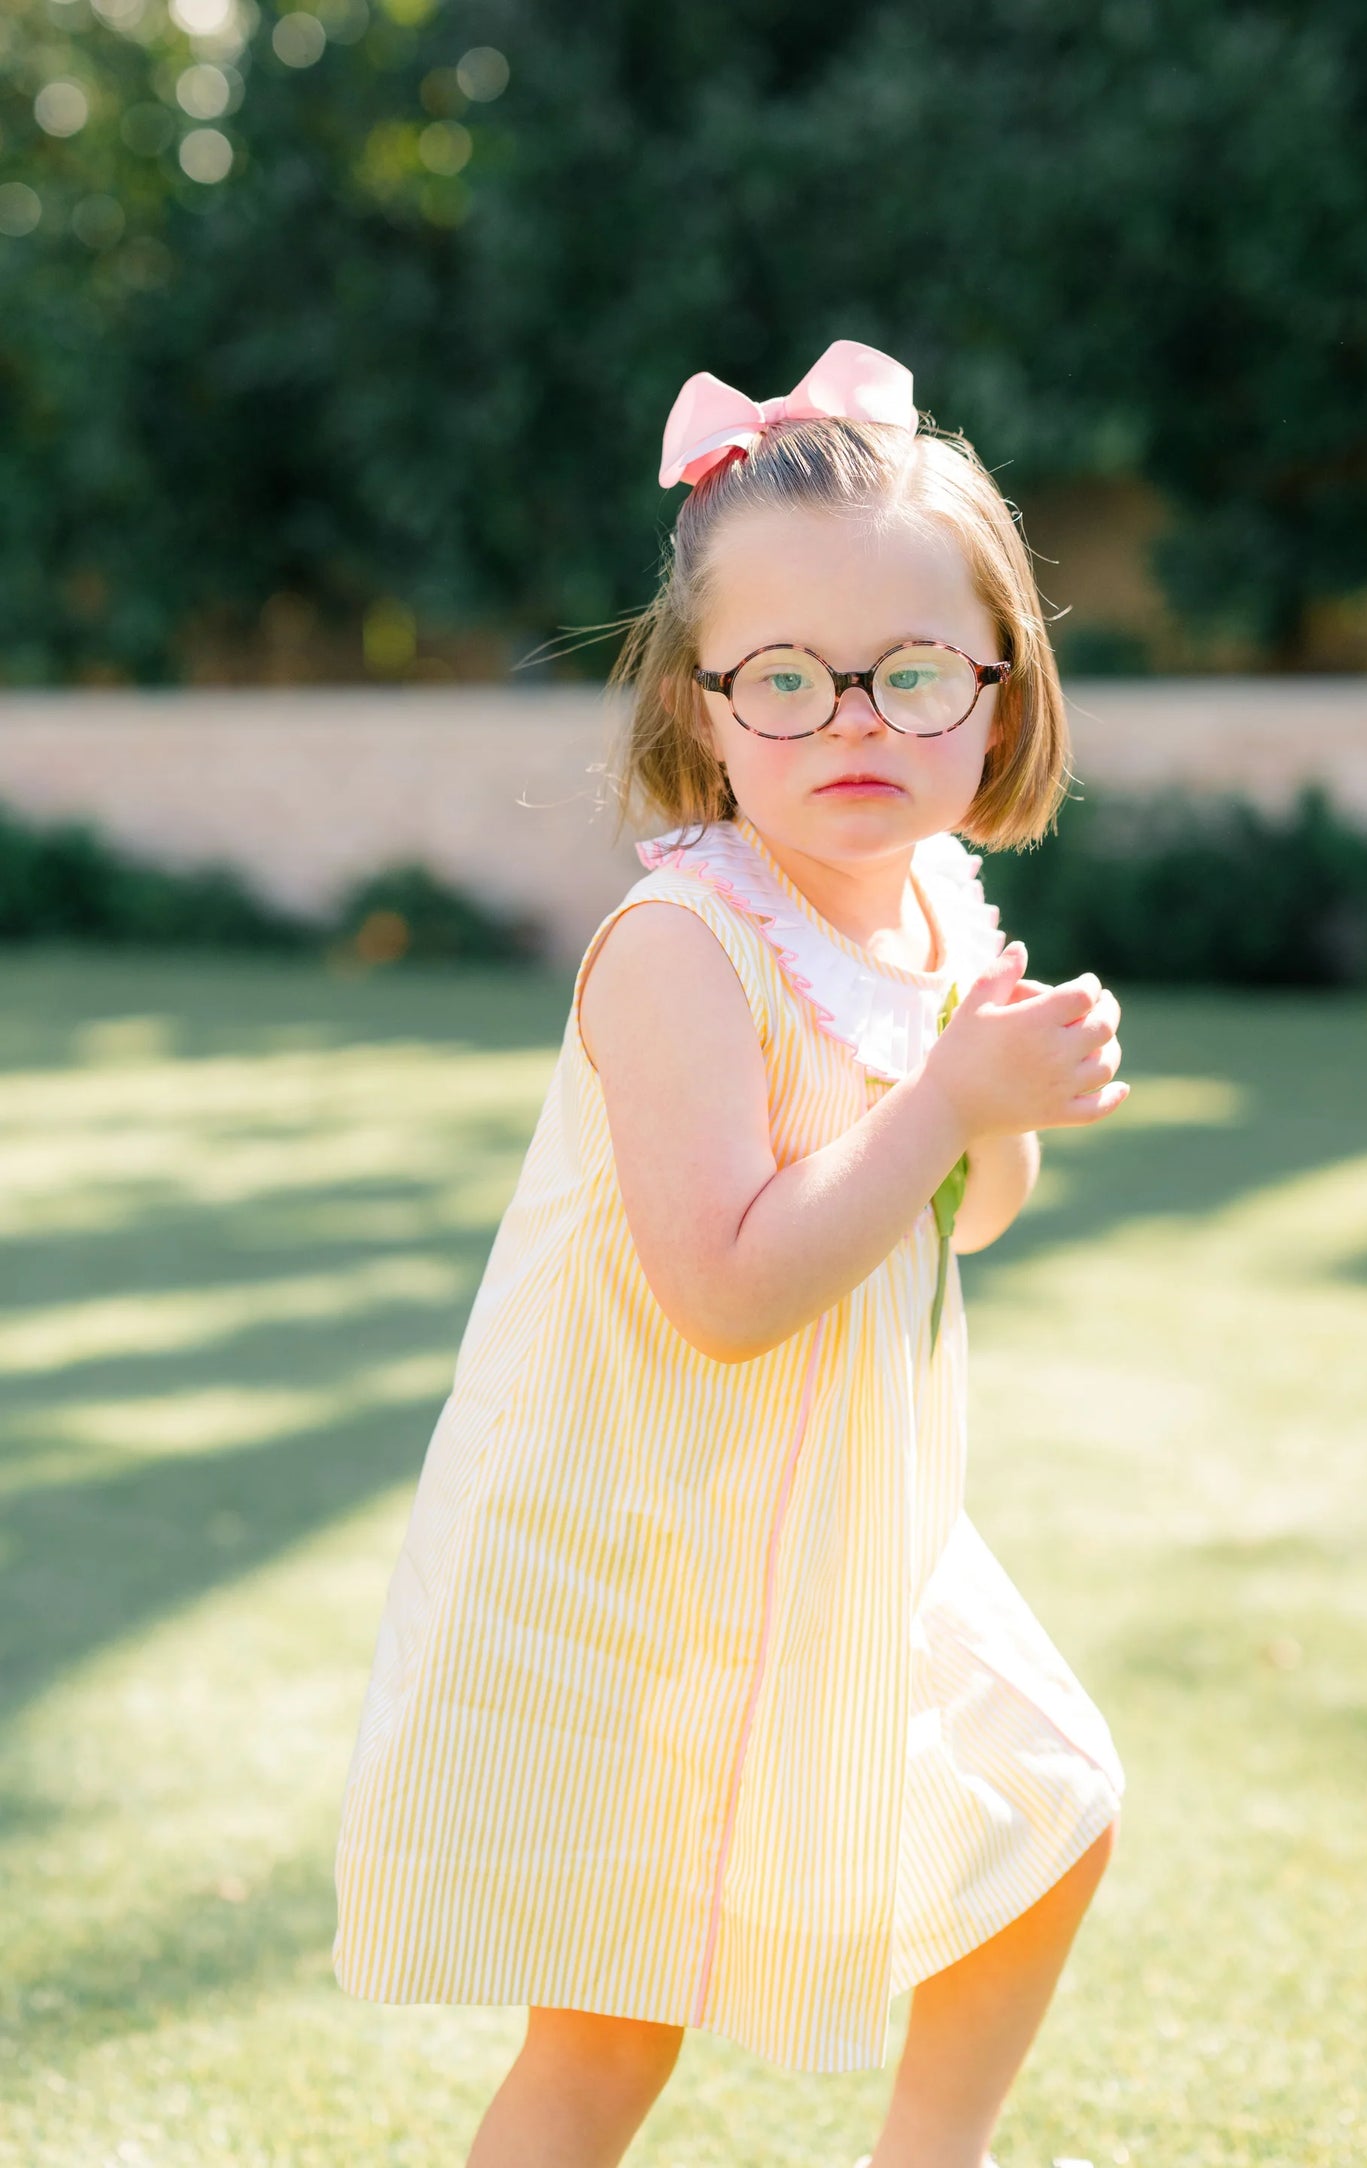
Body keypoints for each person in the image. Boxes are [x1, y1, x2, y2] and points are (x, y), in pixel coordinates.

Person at [331, 339, 1130, 2168]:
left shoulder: (933, 903)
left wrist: (994, 1100)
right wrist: (941, 1099)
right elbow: (730, 1292)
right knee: (614, 2032)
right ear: (702, 710)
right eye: (788, 678)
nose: (854, 719)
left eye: (912, 672)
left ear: (996, 702)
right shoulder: (681, 946)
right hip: (641, 1545)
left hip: (850, 1523)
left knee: (1051, 1811)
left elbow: (960, 1223)